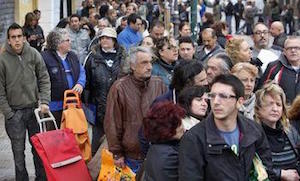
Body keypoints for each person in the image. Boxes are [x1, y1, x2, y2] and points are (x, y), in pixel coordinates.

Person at [179, 74, 275, 180]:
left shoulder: (253, 130)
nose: (216, 102)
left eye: (223, 96)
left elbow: (266, 169)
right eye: (212, 96)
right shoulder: (194, 138)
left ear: (239, 102)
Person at [104, 46, 167, 173]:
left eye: (150, 62)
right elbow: (112, 123)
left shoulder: (159, 84)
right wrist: (116, 153)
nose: (149, 67)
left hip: (156, 153)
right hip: (131, 157)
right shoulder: (119, 88)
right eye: (144, 63)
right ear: (132, 66)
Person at [0, 23, 51, 181]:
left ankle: (41, 178)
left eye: (19, 36)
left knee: (38, 150)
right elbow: (0, 90)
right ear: (8, 40)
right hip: (14, 114)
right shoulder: (2, 60)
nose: (16, 40)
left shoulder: (33, 53)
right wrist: (8, 113)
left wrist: (44, 101)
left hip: (34, 110)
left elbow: (44, 77)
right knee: (18, 154)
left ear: (24, 38)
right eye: (13, 37)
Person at [84, 27, 126, 156]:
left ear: (114, 40)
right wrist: (88, 104)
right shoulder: (92, 57)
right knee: (97, 140)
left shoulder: (124, 57)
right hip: (98, 106)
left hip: (120, 106)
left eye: (107, 38)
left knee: (118, 138)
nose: (104, 40)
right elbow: (86, 82)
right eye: (102, 38)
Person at [41, 28, 86, 128]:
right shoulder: (45, 58)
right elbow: (41, 80)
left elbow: (82, 71)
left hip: (72, 104)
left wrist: (80, 83)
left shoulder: (73, 56)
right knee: (54, 136)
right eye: (67, 40)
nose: (70, 42)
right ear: (58, 43)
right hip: (53, 106)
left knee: (72, 135)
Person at [255, 82, 300, 181]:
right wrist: (280, 174)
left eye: (278, 105)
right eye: (269, 104)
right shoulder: (253, 135)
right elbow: (254, 169)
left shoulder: (290, 131)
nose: (275, 109)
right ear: (258, 109)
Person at [143, 101, 185, 181]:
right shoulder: (170, 156)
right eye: (179, 124)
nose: (183, 128)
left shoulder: (155, 148)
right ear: (168, 128)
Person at [260, 36, 300, 104]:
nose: (293, 51)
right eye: (289, 48)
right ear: (284, 51)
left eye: (297, 48)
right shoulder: (274, 67)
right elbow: (262, 90)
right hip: (282, 111)